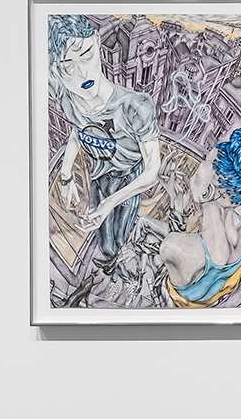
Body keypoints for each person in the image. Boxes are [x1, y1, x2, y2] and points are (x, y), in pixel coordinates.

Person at [51, 14, 162, 269]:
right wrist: (66, 176)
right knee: (104, 241)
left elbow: (153, 169)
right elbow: (77, 131)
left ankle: (126, 274)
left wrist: (111, 201)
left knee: (122, 237)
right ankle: (114, 268)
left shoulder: (135, 106)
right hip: (98, 179)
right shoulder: (66, 97)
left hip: (128, 179)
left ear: (97, 42)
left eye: (87, 55)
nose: (82, 73)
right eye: (67, 66)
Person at [159, 126, 241, 307]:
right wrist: (174, 197)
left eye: (204, 161)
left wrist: (176, 210)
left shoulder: (172, 247)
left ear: (206, 192)